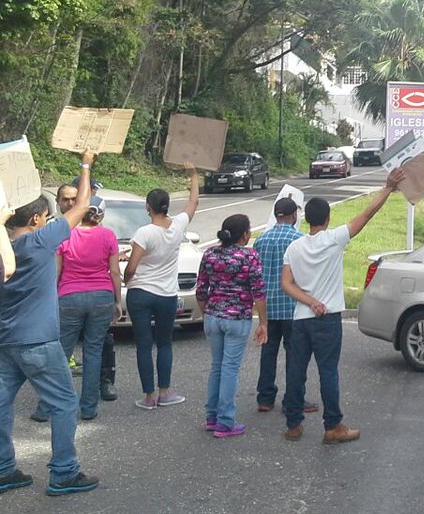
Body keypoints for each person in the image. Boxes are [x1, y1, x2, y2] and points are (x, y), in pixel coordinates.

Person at [280, 166, 407, 444]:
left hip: (301, 318)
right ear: (327, 218)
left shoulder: (295, 247)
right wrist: (387, 188)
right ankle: (333, 426)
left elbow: (286, 284)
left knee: (295, 371)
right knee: (328, 371)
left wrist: (310, 301)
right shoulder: (335, 239)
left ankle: (293, 424)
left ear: (306, 219)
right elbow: (366, 214)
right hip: (327, 318)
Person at [0, 149, 100, 495]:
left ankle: (3, 469)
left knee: (1, 402)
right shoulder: (39, 242)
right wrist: (85, 164)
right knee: (64, 403)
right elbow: (82, 204)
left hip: (5, 341)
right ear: (38, 220)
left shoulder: (3, 249)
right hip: (39, 340)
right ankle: (63, 472)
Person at [30, 197, 122, 423]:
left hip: (69, 296)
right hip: (101, 296)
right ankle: (88, 407)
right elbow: (115, 272)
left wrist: (49, 298)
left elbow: (56, 271)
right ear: (99, 215)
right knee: (93, 352)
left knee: (60, 352)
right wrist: (117, 301)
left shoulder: (66, 234)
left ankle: (46, 407)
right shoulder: (108, 235)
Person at [122, 165, 199, 409]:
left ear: (148, 207)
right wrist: (193, 175)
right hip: (166, 294)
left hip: (141, 293)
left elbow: (132, 267)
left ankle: (148, 396)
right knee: (165, 342)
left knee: (144, 344)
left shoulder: (144, 232)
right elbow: (193, 202)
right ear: (167, 206)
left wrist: (126, 277)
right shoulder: (177, 227)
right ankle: (165, 392)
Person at [196, 214, 267, 438]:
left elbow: (201, 289)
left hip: (212, 316)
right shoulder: (249, 256)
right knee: (230, 369)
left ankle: (212, 416)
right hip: (237, 318)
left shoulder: (210, 253)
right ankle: (226, 421)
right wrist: (263, 322)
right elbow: (258, 292)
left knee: (217, 366)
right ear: (244, 234)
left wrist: (207, 312)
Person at [253, 197, 316, 414]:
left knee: (268, 353)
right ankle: (293, 399)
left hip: (267, 307)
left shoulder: (260, 241)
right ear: (294, 215)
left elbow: (256, 274)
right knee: (294, 355)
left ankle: (265, 397)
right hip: (292, 305)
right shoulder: (299, 239)